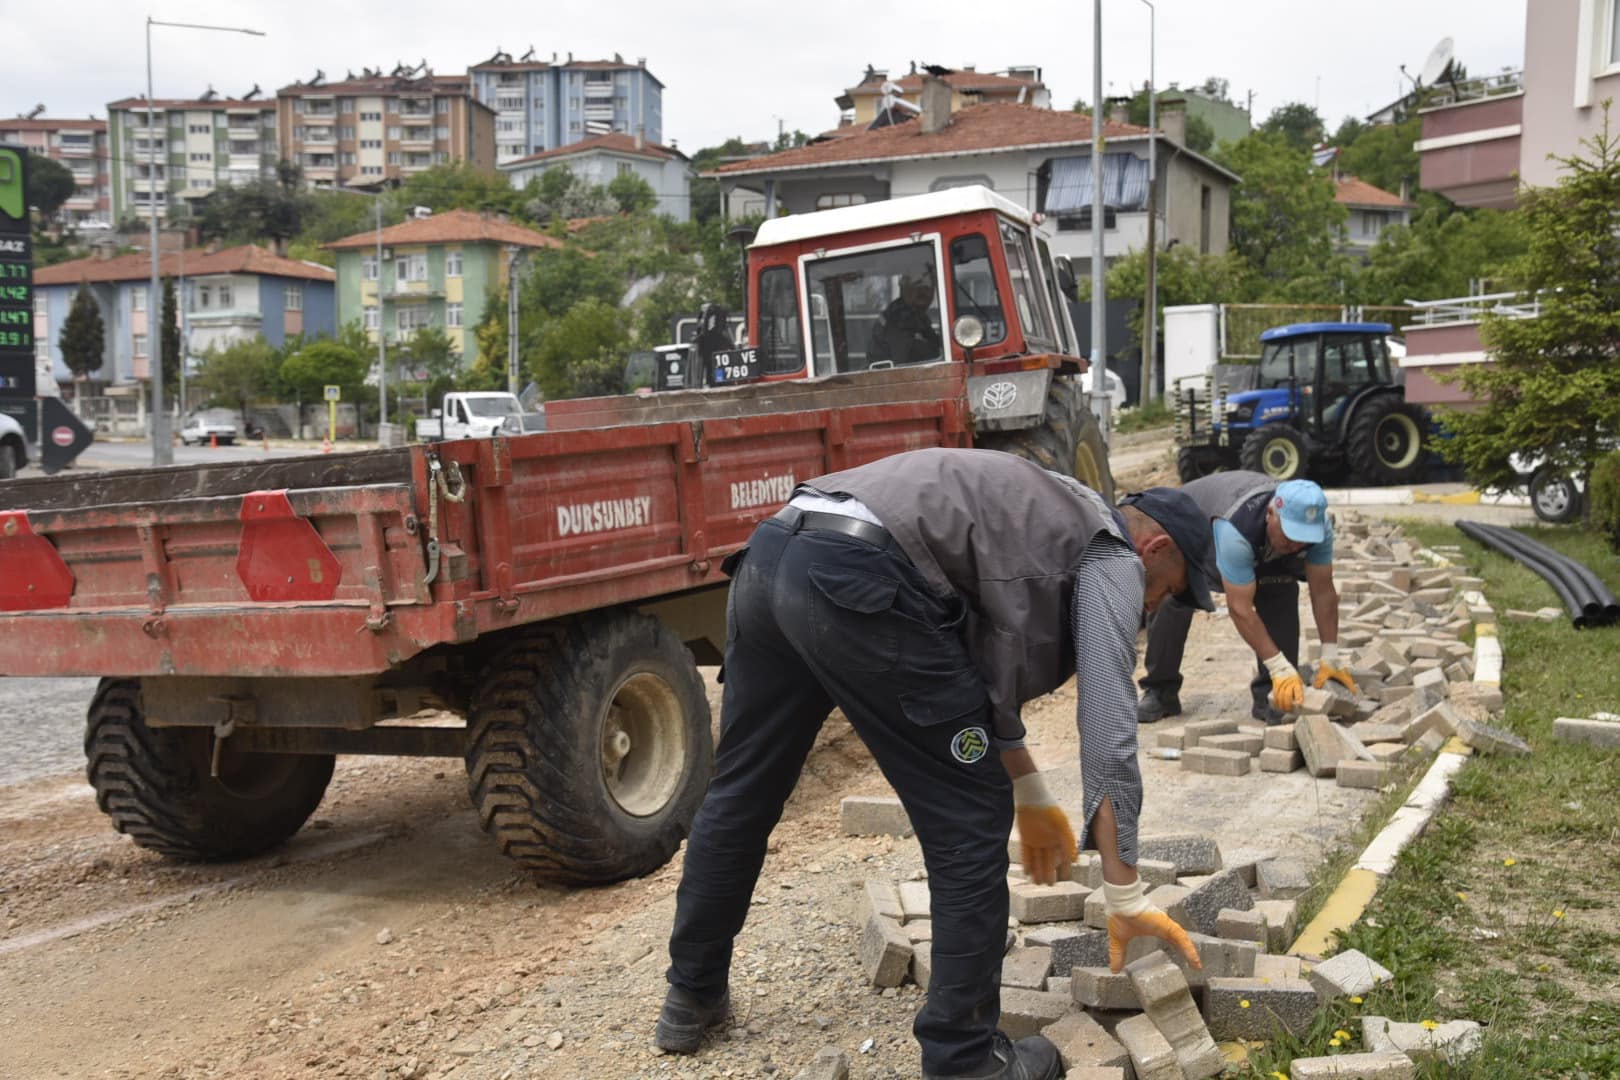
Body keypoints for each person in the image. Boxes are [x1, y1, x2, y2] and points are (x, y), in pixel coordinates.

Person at [656, 448, 1213, 1080]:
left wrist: (1029, 787)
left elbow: (967, 673)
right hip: (857, 571)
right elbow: (1110, 721)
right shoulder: (1110, 554)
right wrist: (1125, 890)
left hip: (775, 552)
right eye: (1169, 593)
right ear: (1156, 548)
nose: (1155, 611)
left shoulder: (1044, 511)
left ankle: (691, 995)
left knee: (742, 790)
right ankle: (965, 1060)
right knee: (970, 818)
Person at [1135, 473, 1356, 727]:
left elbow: (1323, 591)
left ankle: (1271, 695)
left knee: (1279, 589)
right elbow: (1240, 608)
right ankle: (1160, 691)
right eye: (1290, 535)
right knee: (1174, 597)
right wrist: (1278, 664)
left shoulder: (1317, 529)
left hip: (1251, 543)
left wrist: (1330, 655)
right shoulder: (1237, 527)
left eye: (1304, 538)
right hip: (1197, 535)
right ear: (1271, 513)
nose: (1296, 545)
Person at [866, 269, 942, 367]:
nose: (923, 292)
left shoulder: (918, 316)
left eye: (928, 287)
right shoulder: (900, 318)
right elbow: (903, 364)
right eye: (917, 286)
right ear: (904, 289)